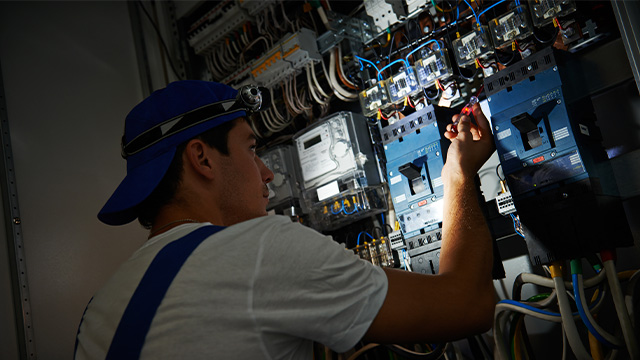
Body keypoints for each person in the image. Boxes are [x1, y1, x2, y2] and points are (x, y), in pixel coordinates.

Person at [74, 80, 495, 359]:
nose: (268, 172)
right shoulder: (258, 250)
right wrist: (457, 175)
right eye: (251, 148)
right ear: (201, 158)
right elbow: (470, 304)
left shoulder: (99, 310)